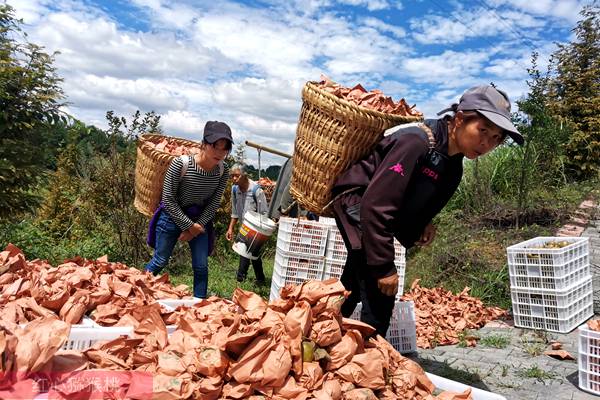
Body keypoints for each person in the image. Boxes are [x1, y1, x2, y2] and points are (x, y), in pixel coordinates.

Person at [331, 85, 524, 337]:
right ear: (459, 120)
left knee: (355, 281)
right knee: (379, 290)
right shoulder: (416, 142)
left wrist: (423, 223)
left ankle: (322, 333)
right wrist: (384, 267)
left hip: (375, 209)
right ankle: (367, 354)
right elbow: (376, 206)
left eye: (496, 138)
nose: (487, 143)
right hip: (357, 204)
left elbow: (416, 196)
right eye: (483, 130)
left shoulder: (453, 166)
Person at [145, 121, 232, 298]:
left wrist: (196, 227)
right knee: (160, 260)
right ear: (204, 144)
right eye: (215, 146)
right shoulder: (181, 164)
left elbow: (214, 202)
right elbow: (168, 199)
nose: (220, 153)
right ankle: (137, 290)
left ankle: (199, 304)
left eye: (225, 148)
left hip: (200, 219)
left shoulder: (223, 170)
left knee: (201, 266)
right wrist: (189, 226)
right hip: (172, 216)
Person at [226, 164, 269, 284]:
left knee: (245, 251)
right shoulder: (235, 190)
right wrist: (230, 228)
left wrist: (260, 232)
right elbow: (235, 211)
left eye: (237, 176)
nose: (234, 178)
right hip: (243, 226)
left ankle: (240, 278)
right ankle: (260, 279)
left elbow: (264, 212)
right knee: (253, 253)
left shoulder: (256, 190)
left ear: (244, 175)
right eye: (232, 176)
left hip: (255, 228)